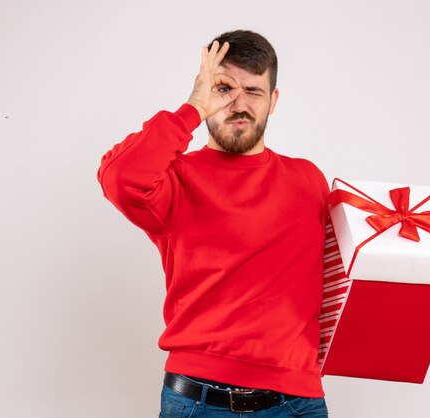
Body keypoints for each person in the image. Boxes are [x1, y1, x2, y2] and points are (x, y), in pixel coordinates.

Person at [97, 30, 329, 417]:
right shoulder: (175, 179)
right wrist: (192, 108)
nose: (239, 104)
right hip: (200, 401)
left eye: (253, 92)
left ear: (273, 101)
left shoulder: (309, 180)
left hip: (299, 401)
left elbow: (345, 271)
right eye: (224, 89)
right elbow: (120, 177)